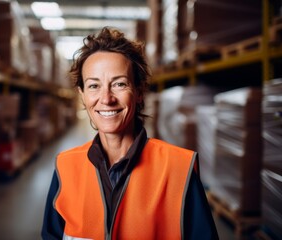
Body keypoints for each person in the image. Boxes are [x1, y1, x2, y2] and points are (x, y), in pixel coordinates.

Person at [41, 27, 218, 240]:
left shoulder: (179, 168)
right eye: (94, 85)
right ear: (82, 94)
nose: (106, 99)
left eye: (119, 84)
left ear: (140, 92)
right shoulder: (65, 167)